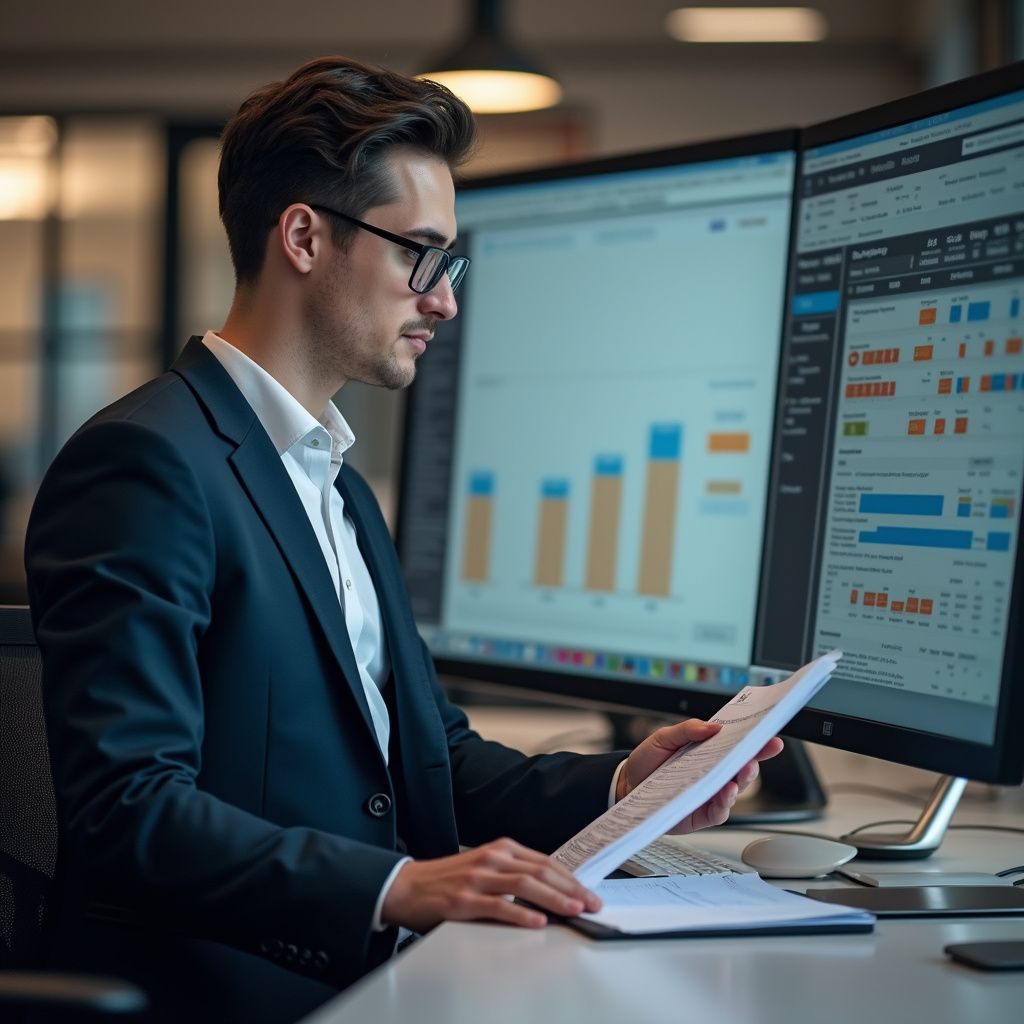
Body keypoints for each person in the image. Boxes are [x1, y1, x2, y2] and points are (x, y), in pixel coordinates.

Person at [24, 57, 782, 1024]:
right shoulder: (146, 464)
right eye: (420, 254)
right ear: (304, 235)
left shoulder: (333, 481)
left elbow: (430, 761)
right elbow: (125, 809)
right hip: (238, 992)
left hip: (383, 981)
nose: (445, 300)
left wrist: (629, 785)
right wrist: (393, 891)